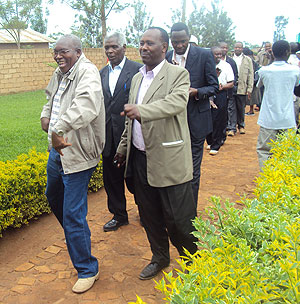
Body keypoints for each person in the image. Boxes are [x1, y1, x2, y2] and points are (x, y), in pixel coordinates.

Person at [115, 27, 198, 280]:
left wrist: (142, 110)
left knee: (178, 221)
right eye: (140, 43)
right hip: (140, 159)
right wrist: (123, 147)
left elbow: (175, 103)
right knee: (149, 216)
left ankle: (194, 264)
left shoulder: (178, 74)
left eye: (149, 43)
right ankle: (160, 257)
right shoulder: (138, 78)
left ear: (164, 47)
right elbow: (130, 121)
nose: (143, 48)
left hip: (169, 160)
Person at [40, 34, 105, 294]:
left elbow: (86, 105)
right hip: (57, 151)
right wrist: (46, 116)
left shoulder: (87, 72)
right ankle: (75, 236)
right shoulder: (60, 72)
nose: (58, 56)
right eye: (55, 52)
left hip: (77, 153)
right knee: (53, 196)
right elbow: (50, 98)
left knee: (73, 213)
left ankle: (88, 268)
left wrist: (58, 128)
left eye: (63, 51)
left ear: (78, 52)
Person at [166, 22, 219, 205]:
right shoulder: (165, 57)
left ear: (189, 38)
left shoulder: (204, 55)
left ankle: (189, 212)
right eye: (175, 42)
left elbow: (214, 86)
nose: (179, 45)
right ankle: (175, 208)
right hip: (171, 124)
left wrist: (196, 92)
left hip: (196, 121)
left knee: (193, 170)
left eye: (183, 41)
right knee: (174, 168)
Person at [100, 32, 142, 232]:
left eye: (114, 47)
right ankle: (119, 215)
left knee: (135, 177)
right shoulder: (101, 73)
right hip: (108, 135)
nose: (110, 51)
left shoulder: (137, 70)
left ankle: (145, 211)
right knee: (111, 178)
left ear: (124, 47)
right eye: (107, 47)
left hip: (131, 133)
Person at [256, 40, 300, 170]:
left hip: (268, 119)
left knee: (264, 151)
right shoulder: (295, 71)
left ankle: (267, 177)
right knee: (288, 151)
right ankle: (284, 177)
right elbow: (297, 87)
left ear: (272, 53)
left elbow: (259, 85)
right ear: (288, 52)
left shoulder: (264, 70)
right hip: (287, 119)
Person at [206, 46, 234, 155]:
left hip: (221, 93)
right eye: (215, 54)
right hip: (207, 94)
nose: (218, 56)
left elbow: (231, 83)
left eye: (220, 54)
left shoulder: (226, 66)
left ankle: (216, 145)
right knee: (208, 118)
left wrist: (223, 87)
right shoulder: (206, 64)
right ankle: (210, 140)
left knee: (219, 119)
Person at [227, 41, 254, 136]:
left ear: (242, 48)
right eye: (236, 47)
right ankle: (231, 128)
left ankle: (241, 126)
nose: (238, 49)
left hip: (242, 87)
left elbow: (251, 75)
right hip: (231, 87)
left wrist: (249, 89)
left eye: (240, 47)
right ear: (233, 48)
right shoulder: (229, 59)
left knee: (241, 107)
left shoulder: (247, 60)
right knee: (231, 108)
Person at [219, 41, 238, 143]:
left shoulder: (231, 62)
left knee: (230, 110)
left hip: (228, 91)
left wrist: (228, 86)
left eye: (226, 48)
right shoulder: (211, 61)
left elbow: (235, 76)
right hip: (215, 93)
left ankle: (231, 128)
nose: (224, 50)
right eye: (222, 47)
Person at [243, 47, 261, 116]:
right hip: (254, 81)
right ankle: (250, 110)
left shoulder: (249, 61)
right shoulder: (253, 61)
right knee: (251, 97)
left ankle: (250, 111)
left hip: (252, 81)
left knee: (251, 97)